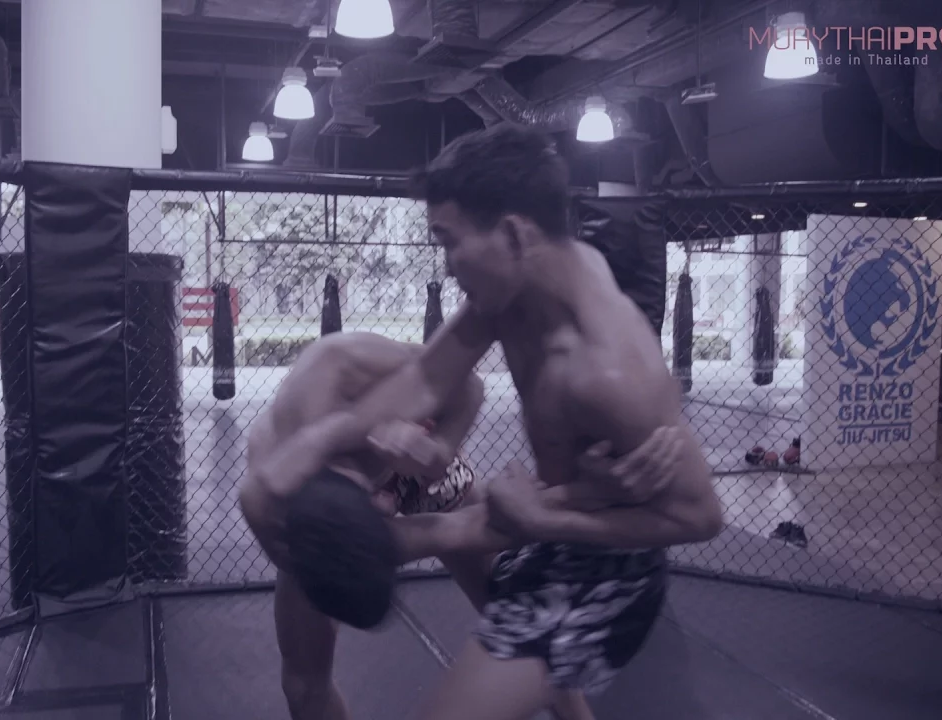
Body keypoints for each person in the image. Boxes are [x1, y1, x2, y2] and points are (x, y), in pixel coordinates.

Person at [250, 123, 724, 720]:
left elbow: (700, 517)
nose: (448, 266)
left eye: (449, 242)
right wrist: (323, 437)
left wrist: (544, 519)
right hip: (549, 527)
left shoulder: (609, 374)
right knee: (390, 545)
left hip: (606, 577)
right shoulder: (515, 290)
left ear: (513, 233)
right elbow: (427, 379)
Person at [239, 330, 685, 720]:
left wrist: (439, 451)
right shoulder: (278, 519)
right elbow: (474, 528)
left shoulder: (343, 364)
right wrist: (585, 495)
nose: (390, 507)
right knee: (304, 685)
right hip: (329, 519)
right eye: (386, 520)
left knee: (518, 620)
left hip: (421, 463)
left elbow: (469, 386)